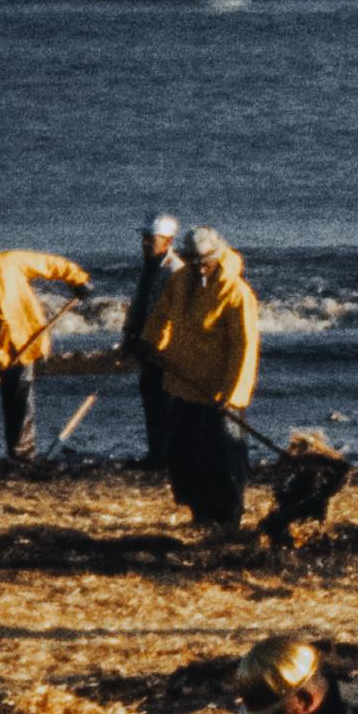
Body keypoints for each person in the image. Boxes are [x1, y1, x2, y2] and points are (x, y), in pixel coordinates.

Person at [146, 227, 261, 534]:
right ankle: (200, 512)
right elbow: (161, 314)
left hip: (220, 391)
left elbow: (245, 346)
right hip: (185, 384)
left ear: (217, 255)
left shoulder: (236, 292)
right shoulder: (181, 280)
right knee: (180, 454)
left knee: (224, 458)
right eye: (193, 260)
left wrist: (232, 394)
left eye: (204, 260)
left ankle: (228, 519)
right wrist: (152, 342)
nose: (199, 266)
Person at [0, 235, 92, 460]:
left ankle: (21, 453)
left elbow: (49, 265)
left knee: (20, 400)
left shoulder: (11, 262)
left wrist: (77, 280)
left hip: (25, 342)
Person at [124, 213, 187, 468]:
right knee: (151, 399)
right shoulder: (151, 265)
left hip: (163, 348)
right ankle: (156, 454)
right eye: (144, 239)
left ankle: (167, 456)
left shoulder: (175, 270)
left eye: (151, 240)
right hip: (145, 343)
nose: (145, 244)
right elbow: (140, 304)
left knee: (165, 402)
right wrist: (129, 332)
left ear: (168, 241)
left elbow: (173, 314)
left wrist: (156, 344)